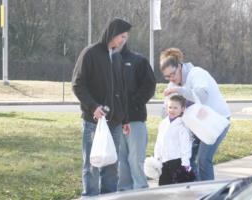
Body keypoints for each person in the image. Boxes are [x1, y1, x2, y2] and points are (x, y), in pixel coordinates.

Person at [71, 18, 132, 197]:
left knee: (111, 165)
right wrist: (93, 107)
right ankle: (89, 196)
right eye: (122, 36)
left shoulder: (117, 57)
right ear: (112, 33)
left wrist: (125, 119)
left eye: (126, 37)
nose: (124, 40)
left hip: (115, 123)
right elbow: (77, 84)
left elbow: (121, 91)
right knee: (92, 166)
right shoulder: (90, 53)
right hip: (93, 121)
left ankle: (108, 197)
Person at [159, 47, 231, 181]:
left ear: (179, 66)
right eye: (167, 77)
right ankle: (195, 190)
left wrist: (180, 90)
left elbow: (202, 95)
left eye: (173, 74)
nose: (171, 79)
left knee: (204, 159)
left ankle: (208, 193)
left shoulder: (196, 73)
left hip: (216, 121)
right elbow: (166, 112)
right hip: (196, 124)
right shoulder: (172, 85)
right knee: (187, 158)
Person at [117, 44, 156, 191]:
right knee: (120, 160)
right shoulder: (106, 60)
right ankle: (124, 191)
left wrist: (133, 104)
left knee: (136, 159)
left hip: (134, 119)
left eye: (123, 36)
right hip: (115, 121)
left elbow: (149, 86)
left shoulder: (138, 60)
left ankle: (140, 190)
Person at [154, 95, 194, 185]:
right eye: (170, 107)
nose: (172, 110)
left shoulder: (182, 126)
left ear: (183, 109)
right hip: (164, 162)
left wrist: (185, 164)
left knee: (178, 188)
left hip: (177, 162)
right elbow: (159, 142)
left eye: (175, 108)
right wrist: (157, 157)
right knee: (164, 187)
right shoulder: (163, 123)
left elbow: (185, 146)